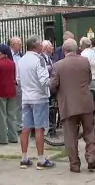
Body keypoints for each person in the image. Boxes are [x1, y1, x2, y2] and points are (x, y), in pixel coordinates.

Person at [51, 38, 95, 173]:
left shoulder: (58, 65)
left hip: (68, 104)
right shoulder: (84, 61)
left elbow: (53, 85)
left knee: (70, 136)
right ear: (77, 49)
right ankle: (91, 156)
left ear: (64, 50)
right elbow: (88, 79)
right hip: (85, 102)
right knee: (89, 131)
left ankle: (75, 164)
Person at [17, 36, 55, 170]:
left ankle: (24, 158)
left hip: (26, 97)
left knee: (25, 128)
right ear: (35, 46)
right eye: (40, 45)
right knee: (39, 128)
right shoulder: (39, 59)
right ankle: (41, 159)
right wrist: (53, 83)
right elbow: (44, 80)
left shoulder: (21, 60)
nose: (42, 47)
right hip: (39, 97)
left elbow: (18, 79)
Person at [0, 44, 18, 144]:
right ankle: (13, 137)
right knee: (12, 115)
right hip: (12, 91)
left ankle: (3, 138)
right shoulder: (12, 63)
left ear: (0, 52)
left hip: (0, 91)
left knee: (1, 115)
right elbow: (14, 76)